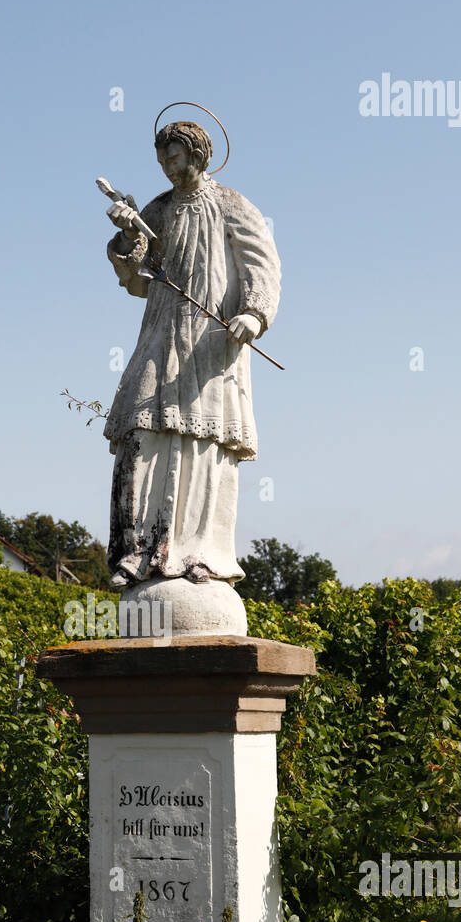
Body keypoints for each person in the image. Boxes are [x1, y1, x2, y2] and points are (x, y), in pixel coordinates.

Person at [103, 120, 281, 590]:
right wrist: (127, 238)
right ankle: (138, 550)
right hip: (162, 333)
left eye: (173, 156)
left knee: (205, 444)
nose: (166, 165)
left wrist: (255, 315)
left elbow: (262, 264)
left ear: (197, 155)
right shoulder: (157, 211)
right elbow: (139, 278)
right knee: (141, 430)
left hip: (213, 342)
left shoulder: (231, 205)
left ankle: (204, 551)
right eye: (161, 158)